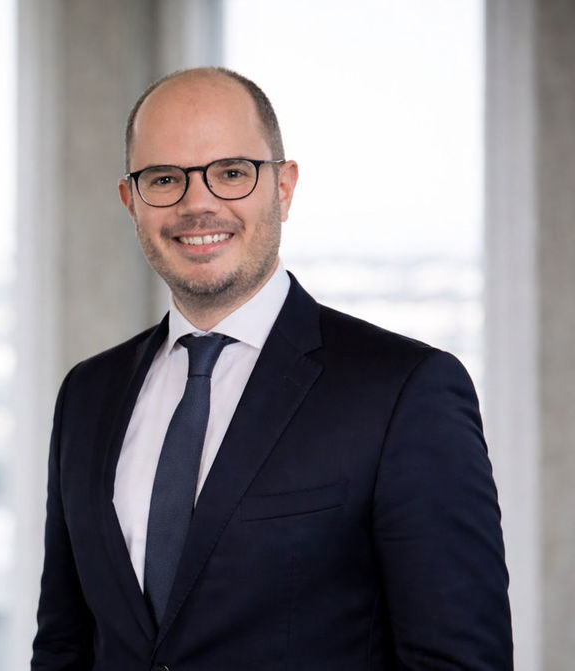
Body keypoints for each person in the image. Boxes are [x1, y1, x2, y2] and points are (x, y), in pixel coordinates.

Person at [31, 67, 512, 669]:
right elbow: (63, 646)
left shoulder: (404, 393)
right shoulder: (87, 394)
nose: (197, 203)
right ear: (131, 201)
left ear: (283, 188)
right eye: (164, 178)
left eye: (232, 173)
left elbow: (459, 660)